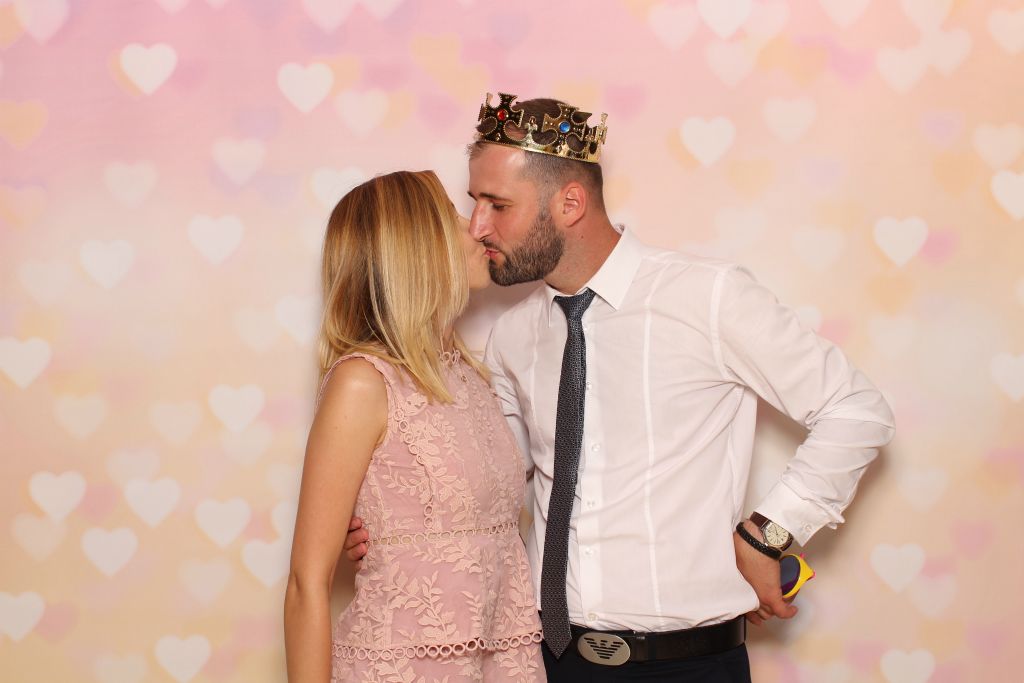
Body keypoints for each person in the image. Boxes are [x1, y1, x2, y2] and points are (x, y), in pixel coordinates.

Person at [346, 95, 896, 682]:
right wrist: (401, 524)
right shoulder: (512, 336)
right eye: (474, 202)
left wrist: (770, 535)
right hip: (545, 661)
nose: (478, 227)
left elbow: (856, 410)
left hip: (690, 667)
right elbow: (495, 478)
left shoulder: (708, 297)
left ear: (570, 203)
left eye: (497, 204)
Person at [284, 170, 544, 683]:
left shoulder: (468, 374)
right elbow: (305, 584)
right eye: (456, 218)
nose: (478, 228)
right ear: (418, 247)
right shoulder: (363, 382)